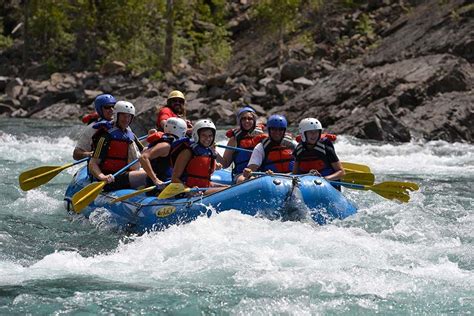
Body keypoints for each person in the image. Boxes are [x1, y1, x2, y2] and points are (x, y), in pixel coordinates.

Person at [89, 101, 146, 192]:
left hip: (126, 173)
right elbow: (93, 163)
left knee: (155, 172)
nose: (126, 119)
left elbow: (144, 152)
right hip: (111, 178)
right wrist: (102, 177)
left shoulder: (130, 134)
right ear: (116, 116)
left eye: (129, 116)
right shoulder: (106, 136)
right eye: (123, 115)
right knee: (145, 175)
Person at [170, 119, 228, 195]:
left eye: (210, 136)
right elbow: (174, 179)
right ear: (196, 135)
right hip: (189, 192)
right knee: (228, 192)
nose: (207, 139)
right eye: (204, 135)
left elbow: (204, 179)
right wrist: (189, 190)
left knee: (232, 188)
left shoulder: (209, 151)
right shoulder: (188, 152)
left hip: (204, 188)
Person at [241, 114, 296, 182]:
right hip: (271, 181)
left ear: (284, 130)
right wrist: (248, 172)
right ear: (269, 130)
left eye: (280, 129)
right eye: (274, 129)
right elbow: (251, 170)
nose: (277, 132)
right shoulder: (261, 147)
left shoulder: (293, 145)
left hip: (293, 178)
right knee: (246, 180)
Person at [140, 117, 188, 196]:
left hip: (169, 185)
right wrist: (156, 180)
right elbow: (143, 157)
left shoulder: (173, 143)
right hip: (159, 189)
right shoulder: (165, 145)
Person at [292, 118, 345, 189]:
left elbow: (341, 172)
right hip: (307, 185)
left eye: (316, 132)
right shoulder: (299, 150)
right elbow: (294, 174)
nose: (314, 135)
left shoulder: (326, 149)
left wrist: (325, 179)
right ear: (303, 133)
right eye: (310, 132)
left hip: (327, 186)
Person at [221, 106, 267, 181]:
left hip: (260, 173)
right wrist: (214, 152)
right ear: (240, 121)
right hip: (241, 175)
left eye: (250, 119)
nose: (247, 121)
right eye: (243, 119)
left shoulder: (262, 138)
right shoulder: (234, 139)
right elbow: (225, 164)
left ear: (254, 120)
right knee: (245, 180)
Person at [73, 94, 116, 160]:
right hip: (99, 166)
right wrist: (89, 154)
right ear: (100, 109)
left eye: (113, 106)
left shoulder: (122, 124)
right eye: (107, 107)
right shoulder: (92, 128)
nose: (112, 109)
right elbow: (76, 154)